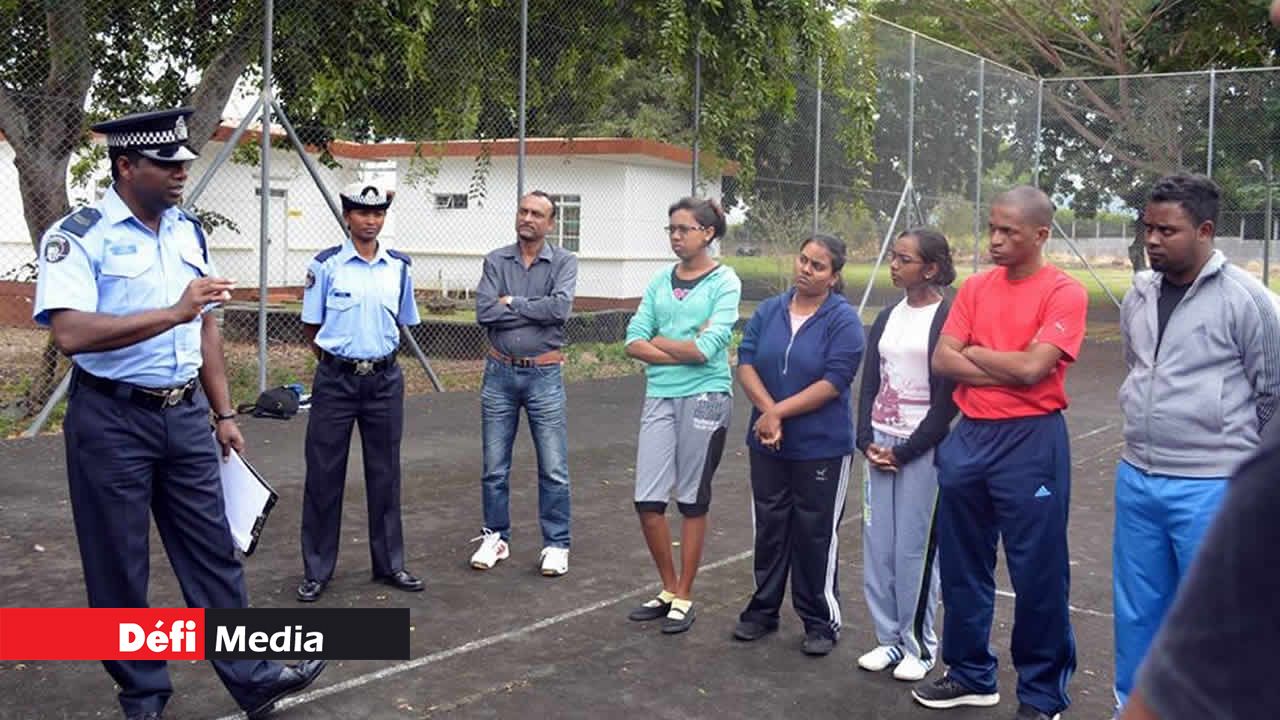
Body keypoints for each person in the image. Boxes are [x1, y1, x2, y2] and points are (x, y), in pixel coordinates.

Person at [32, 107, 323, 720]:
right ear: (126, 165)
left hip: (185, 413)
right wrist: (171, 311)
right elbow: (71, 333)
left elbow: (208, 328)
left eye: (183, 163)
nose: (179, 174)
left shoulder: (187, 231)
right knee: (119, 566)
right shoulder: (78, 236)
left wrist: (223, 413)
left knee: (213, 551)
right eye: (166, 165)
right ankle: (143, 695)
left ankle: (253, 678)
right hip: (111, 420)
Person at [913, 186, 1086, 720]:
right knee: (963, 563)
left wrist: (979, 354)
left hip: (1031, 442)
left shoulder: (1064, 291)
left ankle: (1041, 696)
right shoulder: (975, 288)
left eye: (1010, 231)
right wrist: (1006, 362)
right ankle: (969, 675)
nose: (996, 239)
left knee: (1038, 570)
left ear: (1040, 234)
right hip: (970, 438)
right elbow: (943, 360)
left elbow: (1037, 371)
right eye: (992, 228)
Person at [1111, 174, 1280, 715]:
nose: (1152, 240)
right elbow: (1139, 369)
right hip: (1137, 476)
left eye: (1168, 230)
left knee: (1216, 625)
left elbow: (1273, 394)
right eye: (1147, 228)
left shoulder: (1248, 300)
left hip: (1212, 488)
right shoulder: (1138, 295)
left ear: (1206, 231)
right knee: (1136, 613)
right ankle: (1128, 708)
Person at [731, 234, 865, 656]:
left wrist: (778, 413)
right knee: (769, 526)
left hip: (821, 446)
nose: (806, 269)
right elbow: (747, 360)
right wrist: (769, 413)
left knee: (815, 532)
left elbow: (834, 381)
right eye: (803, 259)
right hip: (768, 442)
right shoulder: (770, 310)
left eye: (818, 265)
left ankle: (820, 620)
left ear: (834, 277)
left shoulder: (843, 321)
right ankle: (763, 610)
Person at [295, 182, 424, 603]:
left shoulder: (399, 266)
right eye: (362, 213)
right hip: (336, 381)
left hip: (384, 381)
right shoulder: (327, 265)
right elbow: (313, 328)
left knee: (385, 473)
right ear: (347, 216)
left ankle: (390, 564)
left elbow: (403, 320)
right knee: (323, 474)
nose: (371, 221)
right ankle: (317, 569)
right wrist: (339, 365)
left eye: (378, 214)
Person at [623, 197, 741, 634]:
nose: (675, 236)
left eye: (684, 229)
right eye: (671, 229)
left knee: (691, 499)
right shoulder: (659, 281)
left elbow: (706, 351)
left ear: (707, 233)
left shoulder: (725, 282)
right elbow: (632, 339)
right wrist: (682, 347)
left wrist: (663, 344)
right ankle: (668, 587)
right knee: (648, 502)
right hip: (661, 396)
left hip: (707, 397)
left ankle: (686, 595)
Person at [855, 228, 959, 682]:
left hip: (922, 450)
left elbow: (948, 400)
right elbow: (871, 383)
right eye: (893, 257)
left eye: (904, 259)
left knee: (914, 549)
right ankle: (888, 640)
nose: (893, 265)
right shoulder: (887, 316)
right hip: (881, 441)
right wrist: (866, 440)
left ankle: (919, 644)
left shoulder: (949, 317)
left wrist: (909, 450)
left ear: (931, 268)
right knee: (879, 546)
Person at [470, 191, 578, 576]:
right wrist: (534, 310)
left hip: (544, 375)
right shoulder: (496, 259)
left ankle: (555, 544)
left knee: (553, 467)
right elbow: (484, 311)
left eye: (537, 214)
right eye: (523, 211)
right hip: (498, 374)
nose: (528, 218)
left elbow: (560, 309)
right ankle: (495, 537)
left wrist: (511, 302)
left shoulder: (564, 262)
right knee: (494, 467)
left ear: (550, 224)